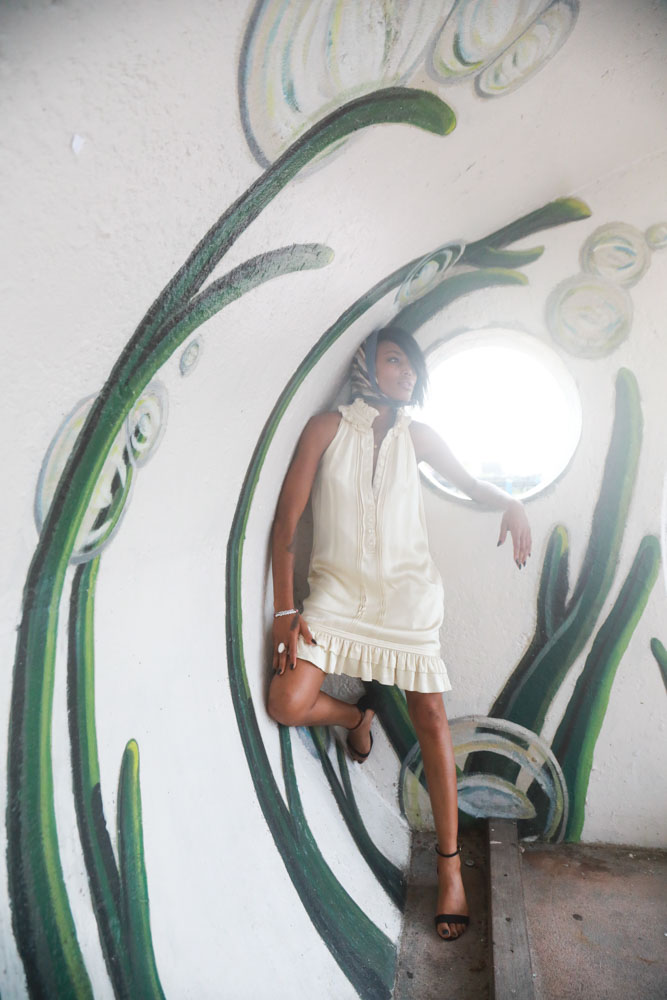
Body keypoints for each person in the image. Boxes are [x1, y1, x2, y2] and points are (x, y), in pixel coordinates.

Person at [267, 326, 531, 941]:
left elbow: (471, 483)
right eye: (394, 360)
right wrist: (284, 612)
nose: (407, 372)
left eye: (412, 365)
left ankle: (449, 866)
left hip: (409, 599)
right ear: (366, 364)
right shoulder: (325, 429)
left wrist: (512, 501)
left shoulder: (419, 436)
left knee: (432, 718)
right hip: (335, 597)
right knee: (285, 701)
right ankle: (354, 718)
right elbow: (285, 523)